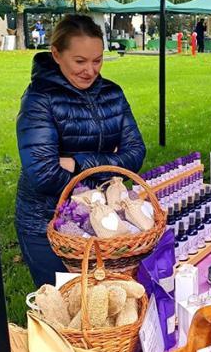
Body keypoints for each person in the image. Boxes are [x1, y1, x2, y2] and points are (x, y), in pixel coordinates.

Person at [16, 14, 146, 286]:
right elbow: (43, 173)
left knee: (106, 302)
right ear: (56, 54)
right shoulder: (40, 99)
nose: (90, 70)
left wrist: (76, 162)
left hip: (104, 218)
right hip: (46, 223)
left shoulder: (113, 93)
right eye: (80, 61)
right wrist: (102, 180)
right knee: (66, 303)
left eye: (97, 60)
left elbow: (135, 153)